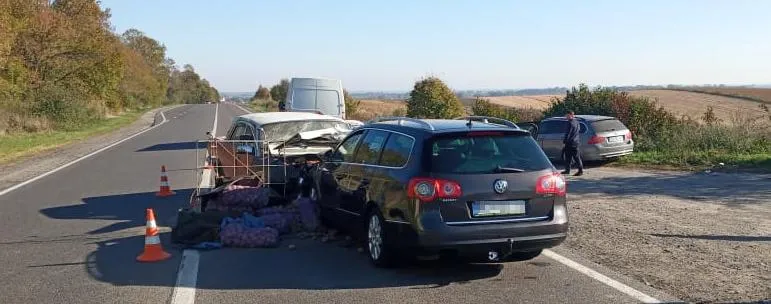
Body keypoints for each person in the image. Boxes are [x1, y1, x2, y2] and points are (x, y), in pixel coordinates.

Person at [562, 111, 584, 176]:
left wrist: (565, 140)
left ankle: (580, 170)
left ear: (571, 115)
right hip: (576, 142)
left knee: (574, 157)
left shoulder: (570, 123)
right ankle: (567, 170)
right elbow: (578, 131)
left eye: (567, 115)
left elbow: (568, 133)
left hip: (570, 142)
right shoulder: (577, 122)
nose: (566, 117)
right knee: (570, 156)